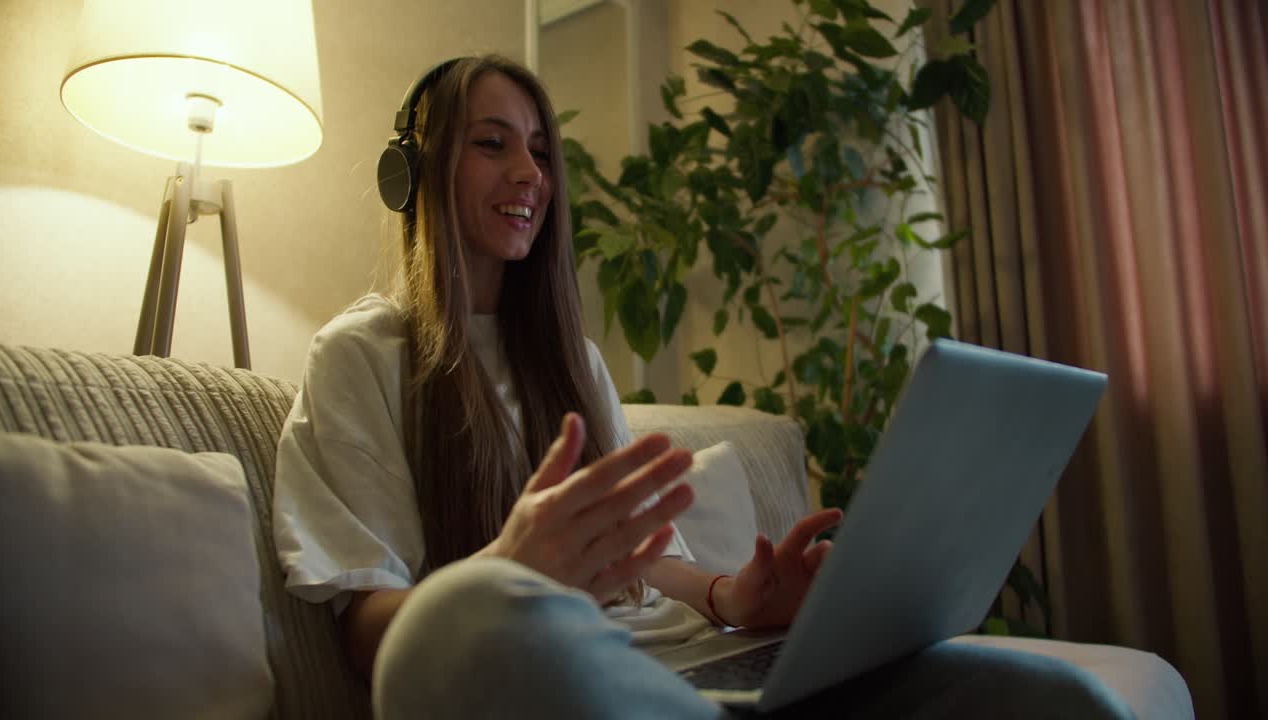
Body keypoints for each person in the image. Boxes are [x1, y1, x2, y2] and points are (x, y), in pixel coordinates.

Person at [273, 54, 1134, 719]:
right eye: (491, 144)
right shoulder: (362, 354)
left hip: (670, 670)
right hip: (547, 675)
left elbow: (655, 569)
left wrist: (735, 599)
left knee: (1053, 697)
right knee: (443, 630)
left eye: (540, 150)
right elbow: (369, 636)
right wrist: (509, 571)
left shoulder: (571, 357)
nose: (531, 173)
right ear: (415, 173)